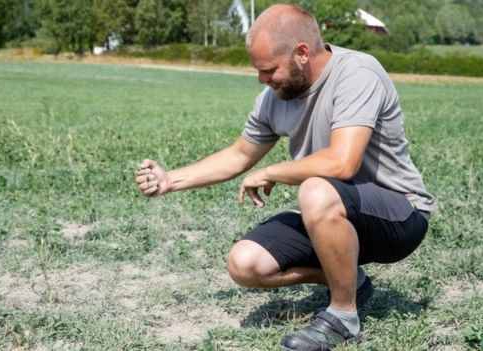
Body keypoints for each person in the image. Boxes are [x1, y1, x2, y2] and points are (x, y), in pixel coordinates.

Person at [135, 4, 436, 350]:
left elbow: (342, 163)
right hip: (330, 213)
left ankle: (342, 317)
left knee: (315, 190)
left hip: (399, 215)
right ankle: (352, 281)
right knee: (246, 263)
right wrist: (170, 180)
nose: (262, 80)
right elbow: (239, 155)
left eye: (268, 70)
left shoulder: (358, 72)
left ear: (302, 53)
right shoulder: (274, 97)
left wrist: (272, 170)